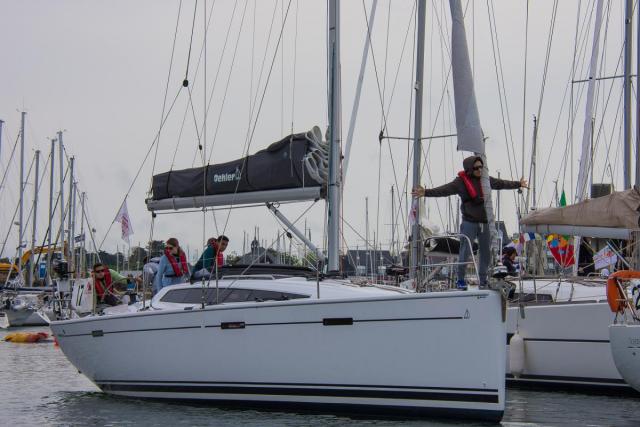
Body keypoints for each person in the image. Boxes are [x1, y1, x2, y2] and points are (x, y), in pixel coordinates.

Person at [412, 156, 527, 289]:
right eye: (476, 168)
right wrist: (426, 192)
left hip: (485, 223)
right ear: (469, 169)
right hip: (469, 223)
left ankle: (483, 280)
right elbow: (444, 190)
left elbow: (501, 183)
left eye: (481, 167)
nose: (479, 170)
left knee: (486, 253)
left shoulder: (485, 180)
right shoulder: (460, 182)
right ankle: (460, 280)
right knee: (465, 251)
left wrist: (518, 184)